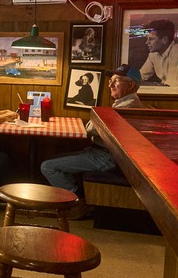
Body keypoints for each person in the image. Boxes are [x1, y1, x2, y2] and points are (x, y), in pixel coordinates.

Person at [40, 64, 145, 196]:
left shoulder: (126, 108)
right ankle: (76, 194)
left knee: (48, 166)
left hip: (105, 157)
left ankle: (76, 200)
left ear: (131, 85)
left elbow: (90, 129)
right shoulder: (125, 104)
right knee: (53, 158)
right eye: (110, 81)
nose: (110, 85)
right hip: (99, 152)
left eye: (116, 81)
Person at [139, 19, 178, 87]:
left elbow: (172, 87)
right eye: (147, 39)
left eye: (151, 39)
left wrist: (150, 84)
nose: (147, 42)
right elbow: (139, 76)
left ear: (164, 40)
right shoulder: (153, 54)